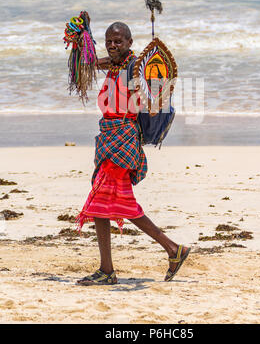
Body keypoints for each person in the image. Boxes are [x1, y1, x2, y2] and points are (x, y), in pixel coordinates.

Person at [76, 22, 190, 285]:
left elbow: (154, 82)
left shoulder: (133, 67)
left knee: (113, 203)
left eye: (118, 41)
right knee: (101, 207)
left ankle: (171, 249)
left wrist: (153, 89)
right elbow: (93, 63)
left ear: (129, 42)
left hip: (123, 140)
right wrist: (81, 43)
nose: (113, 46)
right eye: (109, 41)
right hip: (108, 138)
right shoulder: (116, 65)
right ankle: (110, 269)